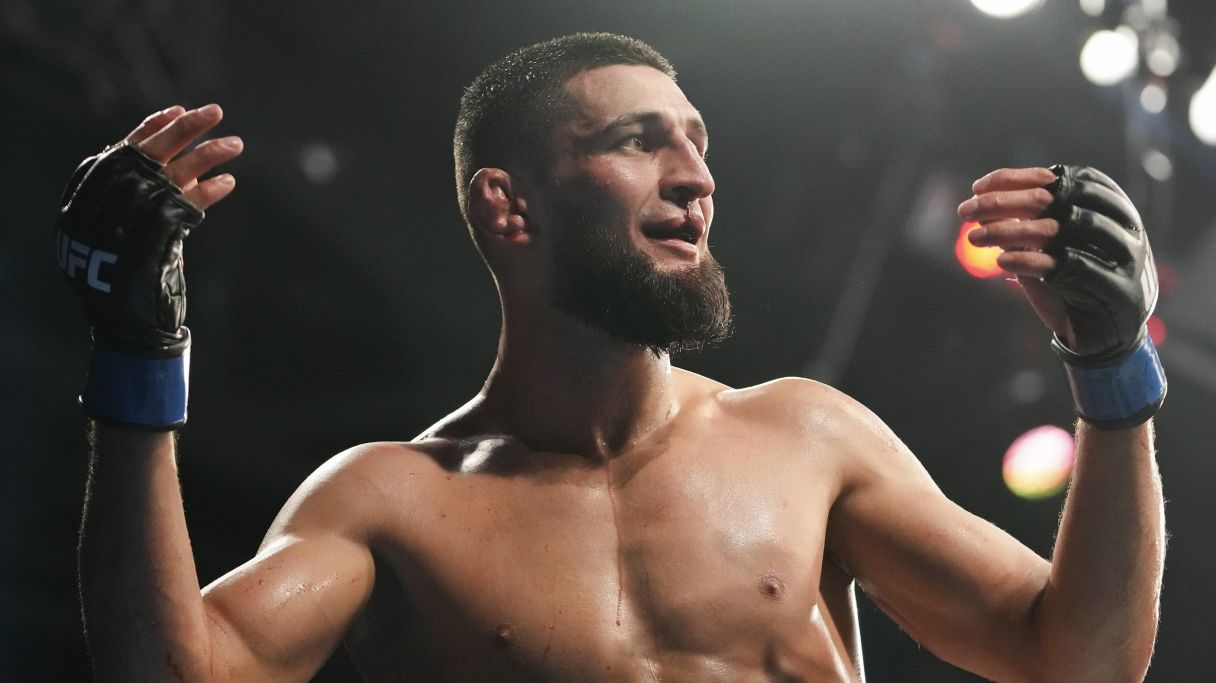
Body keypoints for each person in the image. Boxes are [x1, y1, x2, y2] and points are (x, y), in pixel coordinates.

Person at [61, 33, 1166, 682]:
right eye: (640, 140)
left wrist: (1112, 373)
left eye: (697, 139)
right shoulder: (392, 502)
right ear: (510, 205)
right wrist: (136, 358)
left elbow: (1080, 656)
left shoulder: (806, 436)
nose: (695, 175)